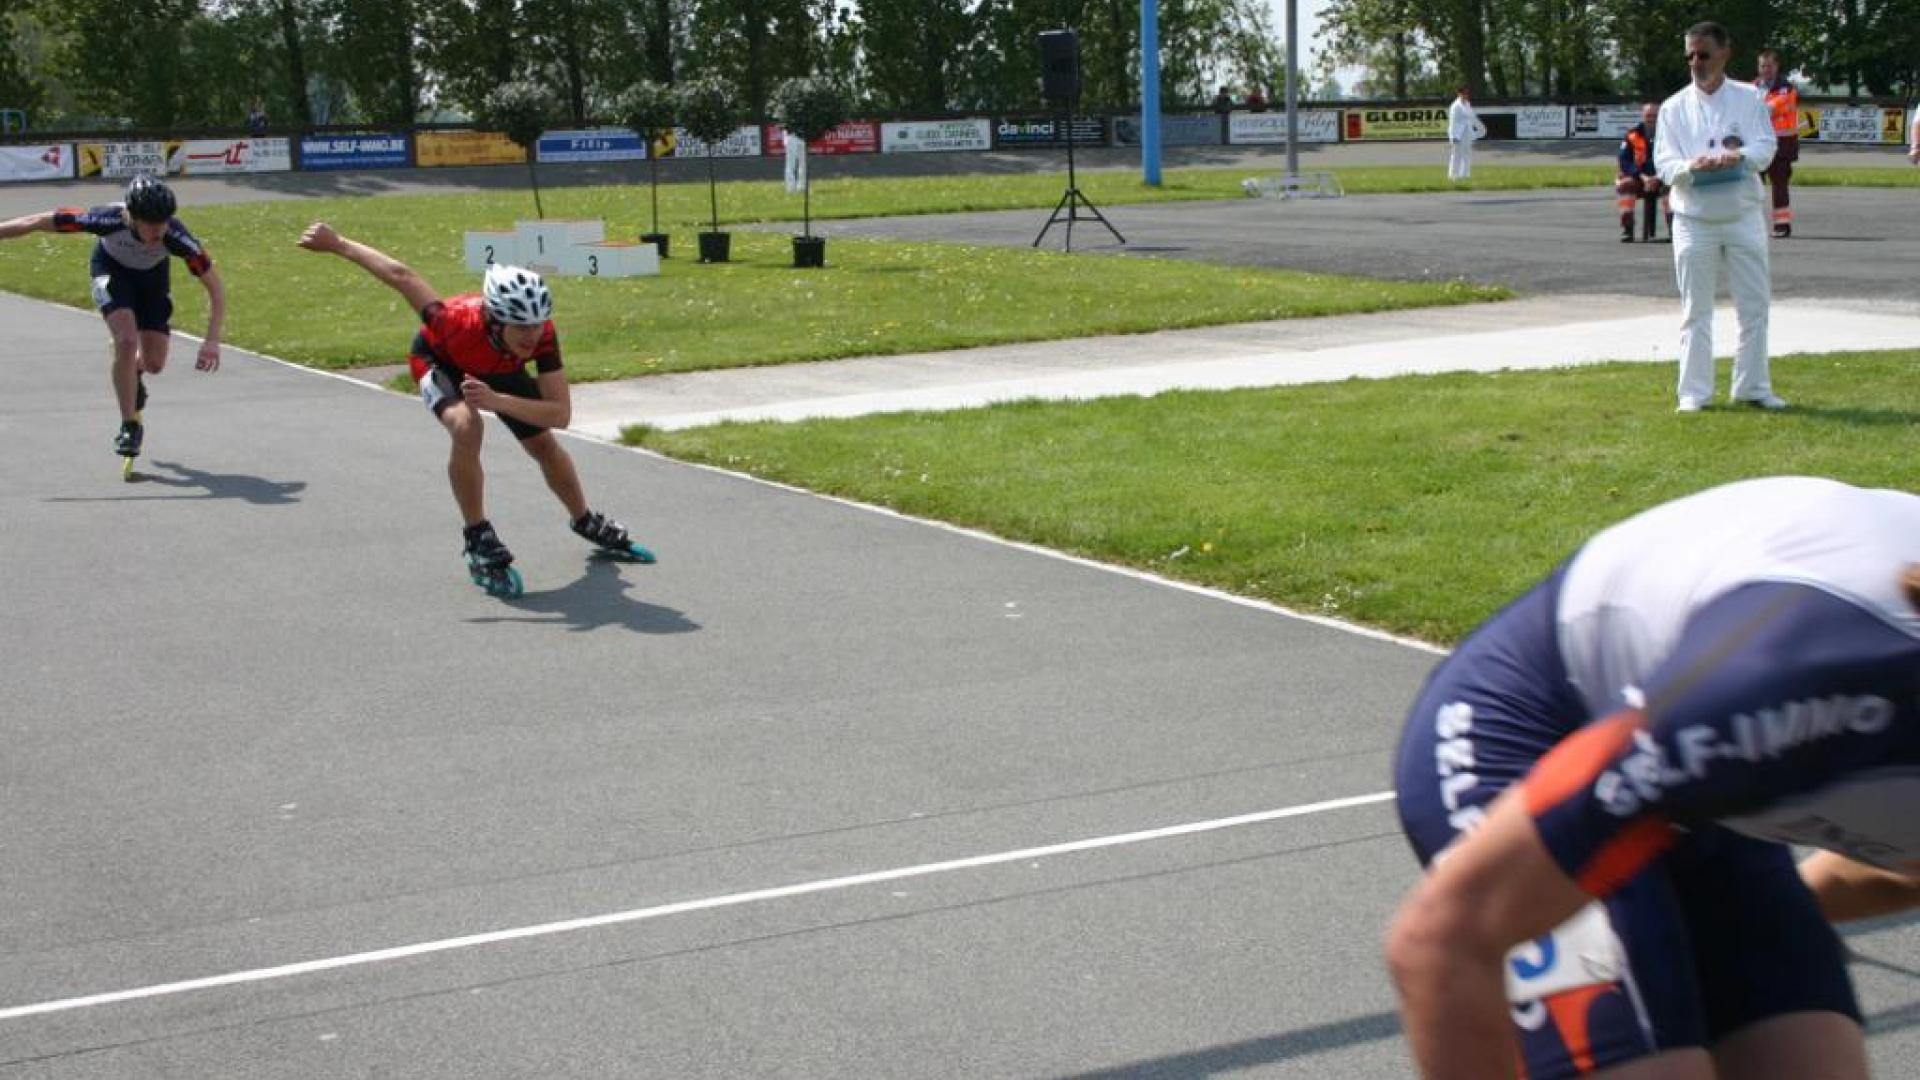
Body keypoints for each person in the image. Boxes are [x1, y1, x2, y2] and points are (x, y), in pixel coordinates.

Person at [1386, 475, 1920, 1080]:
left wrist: (1715, 934)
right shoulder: (1790, 685)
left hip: (1708, 785)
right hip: (1539, 726)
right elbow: (1441, 940)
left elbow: (1887, 874)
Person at [295, 221, 651, 595]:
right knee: (467, 426)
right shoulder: (453, 322)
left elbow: (560, 414)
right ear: (494, 322)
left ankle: (584, 518)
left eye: (535, 324)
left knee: (543, 444)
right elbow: (402, 276)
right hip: (440, 361)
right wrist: (338, 243)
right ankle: (478, 534)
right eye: (520, 327)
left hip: (498, 370)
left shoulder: (542, 334)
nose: (531, 335)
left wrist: (498, 401)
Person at [0, 173, 224, 467]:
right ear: (131, 216)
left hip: (152, 280)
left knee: (154, 364)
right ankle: (129, 425)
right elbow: (37, 222)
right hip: (112, 271)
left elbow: (216, 289)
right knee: (126, 340)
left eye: (164, 222)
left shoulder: (177, 237)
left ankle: (134, 370)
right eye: (151, 224)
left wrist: (212, 341)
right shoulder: (105, 219)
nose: (159, 231)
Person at [1653, 21, 1783, 413]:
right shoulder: (1674, 107)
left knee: (1754, 305)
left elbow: (1766, 146)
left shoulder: (1749, 98)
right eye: (1690, 55)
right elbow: (1664, 163)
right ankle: (1694, 393)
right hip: (1694, 219)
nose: (1696, 62)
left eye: (1704, 54)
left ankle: (1752, 387)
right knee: (1696, 310)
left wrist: (1738, 157)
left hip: (1742, 214)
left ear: (1725, 53)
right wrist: (1692, 167)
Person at [1753, 50, 1799, 238]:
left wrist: (1753, 109)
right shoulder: (1753, 87)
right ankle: (1751, 225)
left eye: (1769, 66)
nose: (1766, 69)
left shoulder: (1787, 89)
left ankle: (1782, 225)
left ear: (1777, 67)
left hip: (1782, 143)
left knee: (1779, 184)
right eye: (1762, 66)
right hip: (1758, 142)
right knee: (1752, 183)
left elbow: (1771, 109)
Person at [1614, 103, 1670, 243]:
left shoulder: (1671, 134)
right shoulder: (1632, 135)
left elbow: (1676, 157)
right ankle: (1627, 229)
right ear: (1643, 116)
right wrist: (1642, 176)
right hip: (1639, 178)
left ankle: (1674, 229)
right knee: (1625, 185)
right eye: (1648, 116)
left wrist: (1658, 177)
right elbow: (1624, 161)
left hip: (1663, 177)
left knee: (1674, 187)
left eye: (1655, 116)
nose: (1651, 119)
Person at [1447, 86, 1486, 182]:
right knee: (1456, 154)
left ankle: (1465, 175)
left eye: (1467, 93)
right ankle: (1453, 176)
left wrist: (1481, 128)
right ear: (1459, 94)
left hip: (1467, 132)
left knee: (1467, 153)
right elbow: (1452, 122)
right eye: (1464, 93)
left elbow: (1472, 117)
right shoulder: (1455, 106)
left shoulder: (1467, 104)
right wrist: (1453, 136)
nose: (1466, 95)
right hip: (1458, 134)